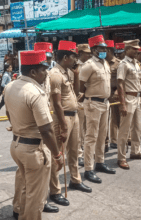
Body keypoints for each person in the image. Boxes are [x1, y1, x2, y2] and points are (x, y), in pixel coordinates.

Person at [5, 50, 64, 220]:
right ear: (33, 72)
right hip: (33, 149)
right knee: (36, 197)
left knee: (25, 187)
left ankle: (20, 214)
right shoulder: (35, 93)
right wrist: (57, 155)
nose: (46, 73)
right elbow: (46, 130)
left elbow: (9, 114)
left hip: (16, 145)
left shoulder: (10, 86)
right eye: (43, 70)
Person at [49, 40, 91, 207]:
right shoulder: (55, 75)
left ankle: (75, 179)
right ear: (65, 56)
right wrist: (63, 126)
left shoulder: (66, 72)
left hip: (73, 116)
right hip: (63, 118)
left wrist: (76, 75)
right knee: (58, 156)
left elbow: (75, 92)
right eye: (73, 56)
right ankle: (55, 190)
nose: (76, 60)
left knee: (74, 151)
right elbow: (57, 103)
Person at [80, 35, 116, 184]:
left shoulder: (105, 63)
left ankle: (100, 162)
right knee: (91, 138)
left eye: (105, 48)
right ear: (94, 49)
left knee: (102, 136)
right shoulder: (89, 65)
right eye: (101, 48)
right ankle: (88, 169)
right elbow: (80, 86)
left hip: (105, 103)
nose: (104, 50)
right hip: (93, 103)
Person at [116, 39, 141, 170]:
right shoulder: (123, 64)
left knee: (137, 127)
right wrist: (122, 104)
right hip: (128, 98)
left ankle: (135, 151)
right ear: (127, 50)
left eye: (137, 49)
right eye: (134, 49)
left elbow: (140, 80)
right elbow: (120, 84)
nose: (137, 51)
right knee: (124, 130)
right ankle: (121, 157)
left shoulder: (136, 64)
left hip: (137, 98)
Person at [76, 44, 92, 167]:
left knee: (88, 128)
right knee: (79, 129)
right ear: (80, 53)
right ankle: (79, 154)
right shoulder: (75, 66)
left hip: (89, 99)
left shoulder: (90, 64)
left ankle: (87, 152)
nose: (89, 55)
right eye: (87, 53)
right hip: (79, 100)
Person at [106, 40, 121, 149]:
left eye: (104, 50)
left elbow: (122, 80)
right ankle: (105, 142)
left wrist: (117, 92)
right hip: (103, 93)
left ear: (110, 50)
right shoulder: (101, 62)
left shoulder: (118, 63)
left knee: (116, 118)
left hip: (115, 93)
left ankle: (114, 140)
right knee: (104, 119)